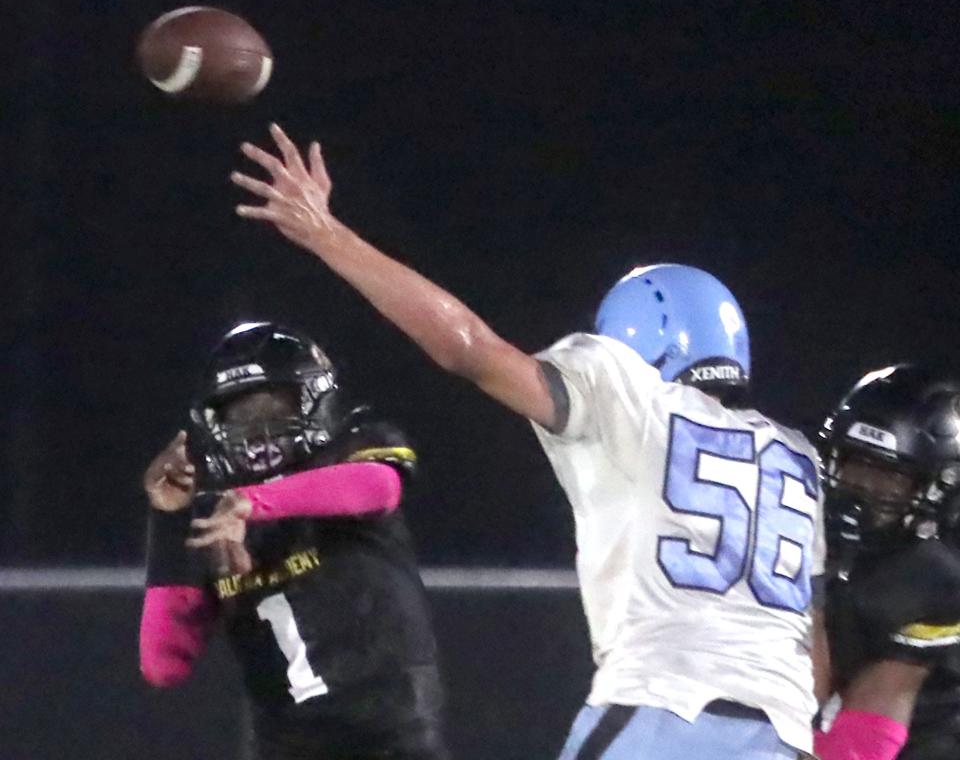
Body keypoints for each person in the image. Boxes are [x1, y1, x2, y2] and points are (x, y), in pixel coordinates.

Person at [230, 123, 829, 759]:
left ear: (639, 335)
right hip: (783, 740)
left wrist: (328, 235)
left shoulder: (628, 390)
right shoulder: (798, 458)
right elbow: (815, 648)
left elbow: (468, 349)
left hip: (661, 712)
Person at [140, 321, 449, 760]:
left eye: (273, 406)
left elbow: (378, 487)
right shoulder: (212, 520)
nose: (258, 430)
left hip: (391, 745)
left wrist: (252, 503)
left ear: (314, 397)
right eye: (241, 415)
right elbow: (163, 664)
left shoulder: (353, 448)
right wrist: (169, 520)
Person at [815, 364, 960, 760]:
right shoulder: (806, 537)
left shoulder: (936, 582)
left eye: (888, 476)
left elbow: (857, 745)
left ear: (937, 486)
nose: (862, 488)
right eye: (855, 464)